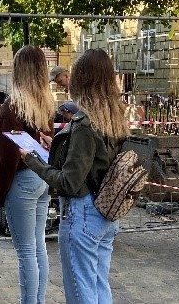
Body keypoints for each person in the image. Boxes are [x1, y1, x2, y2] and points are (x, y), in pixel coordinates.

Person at [20, 49, 129, 304]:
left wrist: (32, 161)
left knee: (81, 293)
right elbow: (93, 163)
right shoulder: (114, 117)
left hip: (82, 213)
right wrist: (56, 149)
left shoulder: (84, 124)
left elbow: (70, 182)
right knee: (100, 287)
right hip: (107, 212)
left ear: (82, 79)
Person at [0, 46, 55, 303]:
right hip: (41, 178)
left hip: (23, 182)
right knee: (38, 247)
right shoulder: (44, 103)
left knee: (26, 252)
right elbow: (15, 124)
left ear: (20, 70)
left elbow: (9, 157)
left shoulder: (14, 104)